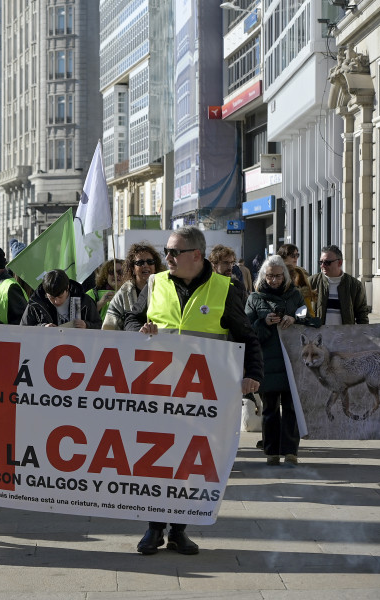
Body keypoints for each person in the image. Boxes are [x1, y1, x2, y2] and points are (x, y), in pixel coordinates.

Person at [125, 226, 263, 556]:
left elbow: (246, 335)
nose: (167, 258)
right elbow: (130, 320)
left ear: (196, 256)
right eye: (167, 252)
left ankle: (179, 531)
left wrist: (253, 375)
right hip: (158, 392)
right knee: (156, 462)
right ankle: (153, 529)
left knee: (189, 465)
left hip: (201, 396)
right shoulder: (155, 283)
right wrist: (139, 329)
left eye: (174, 252)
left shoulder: (224, 288)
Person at [245, 255, 303, 466]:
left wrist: (294, 319)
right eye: (270, 276)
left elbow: (309, 319)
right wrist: (265, 321)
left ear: (285, 276)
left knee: (290, 407)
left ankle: (290, 451)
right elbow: (247, 330)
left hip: (291, 359)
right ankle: (271, 452)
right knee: (269, 408)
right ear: (263, 276)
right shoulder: (255, 298)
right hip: (266, 360)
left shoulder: (294, 295)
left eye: (278, 276)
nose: (274, 280)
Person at [102, 243, 165, 330]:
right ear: (132, 269)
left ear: (155, 266)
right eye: (140, 262)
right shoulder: (123, 293)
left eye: (150, 262)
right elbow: (109, 327)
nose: (145, 265)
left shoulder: (165, 288)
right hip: (130, 342)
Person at [308, 245, 369, 325]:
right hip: (318, 335)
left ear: (339, 263)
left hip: (345, 335)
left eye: (327, 262)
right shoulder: (311, 282)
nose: (322, 266)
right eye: (321, 262)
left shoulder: (355, 285)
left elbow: (362, 315)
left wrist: (362, 335)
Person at [21, 269, 101, 329]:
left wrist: (86, 325)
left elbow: (99, 325)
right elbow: (23, 328)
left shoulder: (84, 300)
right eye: (51, 298)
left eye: (60, 297)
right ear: (45, 292)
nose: (56, 301)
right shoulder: (36, 303)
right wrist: (42, 327)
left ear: (67, 288)